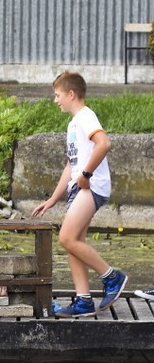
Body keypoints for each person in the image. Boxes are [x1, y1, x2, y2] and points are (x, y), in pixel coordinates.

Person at [32, 71, 127, 317]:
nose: (55, 100)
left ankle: (112, 277)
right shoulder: (73, 123)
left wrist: (86, 175)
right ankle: (83, 301)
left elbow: (104, 143)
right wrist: (52, 199)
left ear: (71, 94)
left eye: (58, 95)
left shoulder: (86, 116)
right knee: (75, 244)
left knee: (66, 238)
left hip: (91, 186)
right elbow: (70, 165)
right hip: (79, 186)